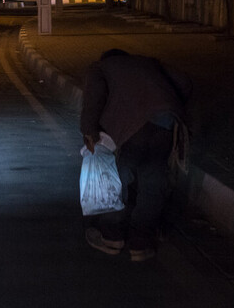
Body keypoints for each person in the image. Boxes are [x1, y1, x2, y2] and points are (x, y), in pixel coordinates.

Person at [80, 49, 192, 261]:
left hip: (133, 127)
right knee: (153, 180)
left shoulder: (100, 68)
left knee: (118, 177)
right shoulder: (148, 61)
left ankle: (112, 237)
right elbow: (184, 82)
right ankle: (140, 243)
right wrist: (170, 104)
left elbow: (94, 97)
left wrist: (89, 131)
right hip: (166, 122)